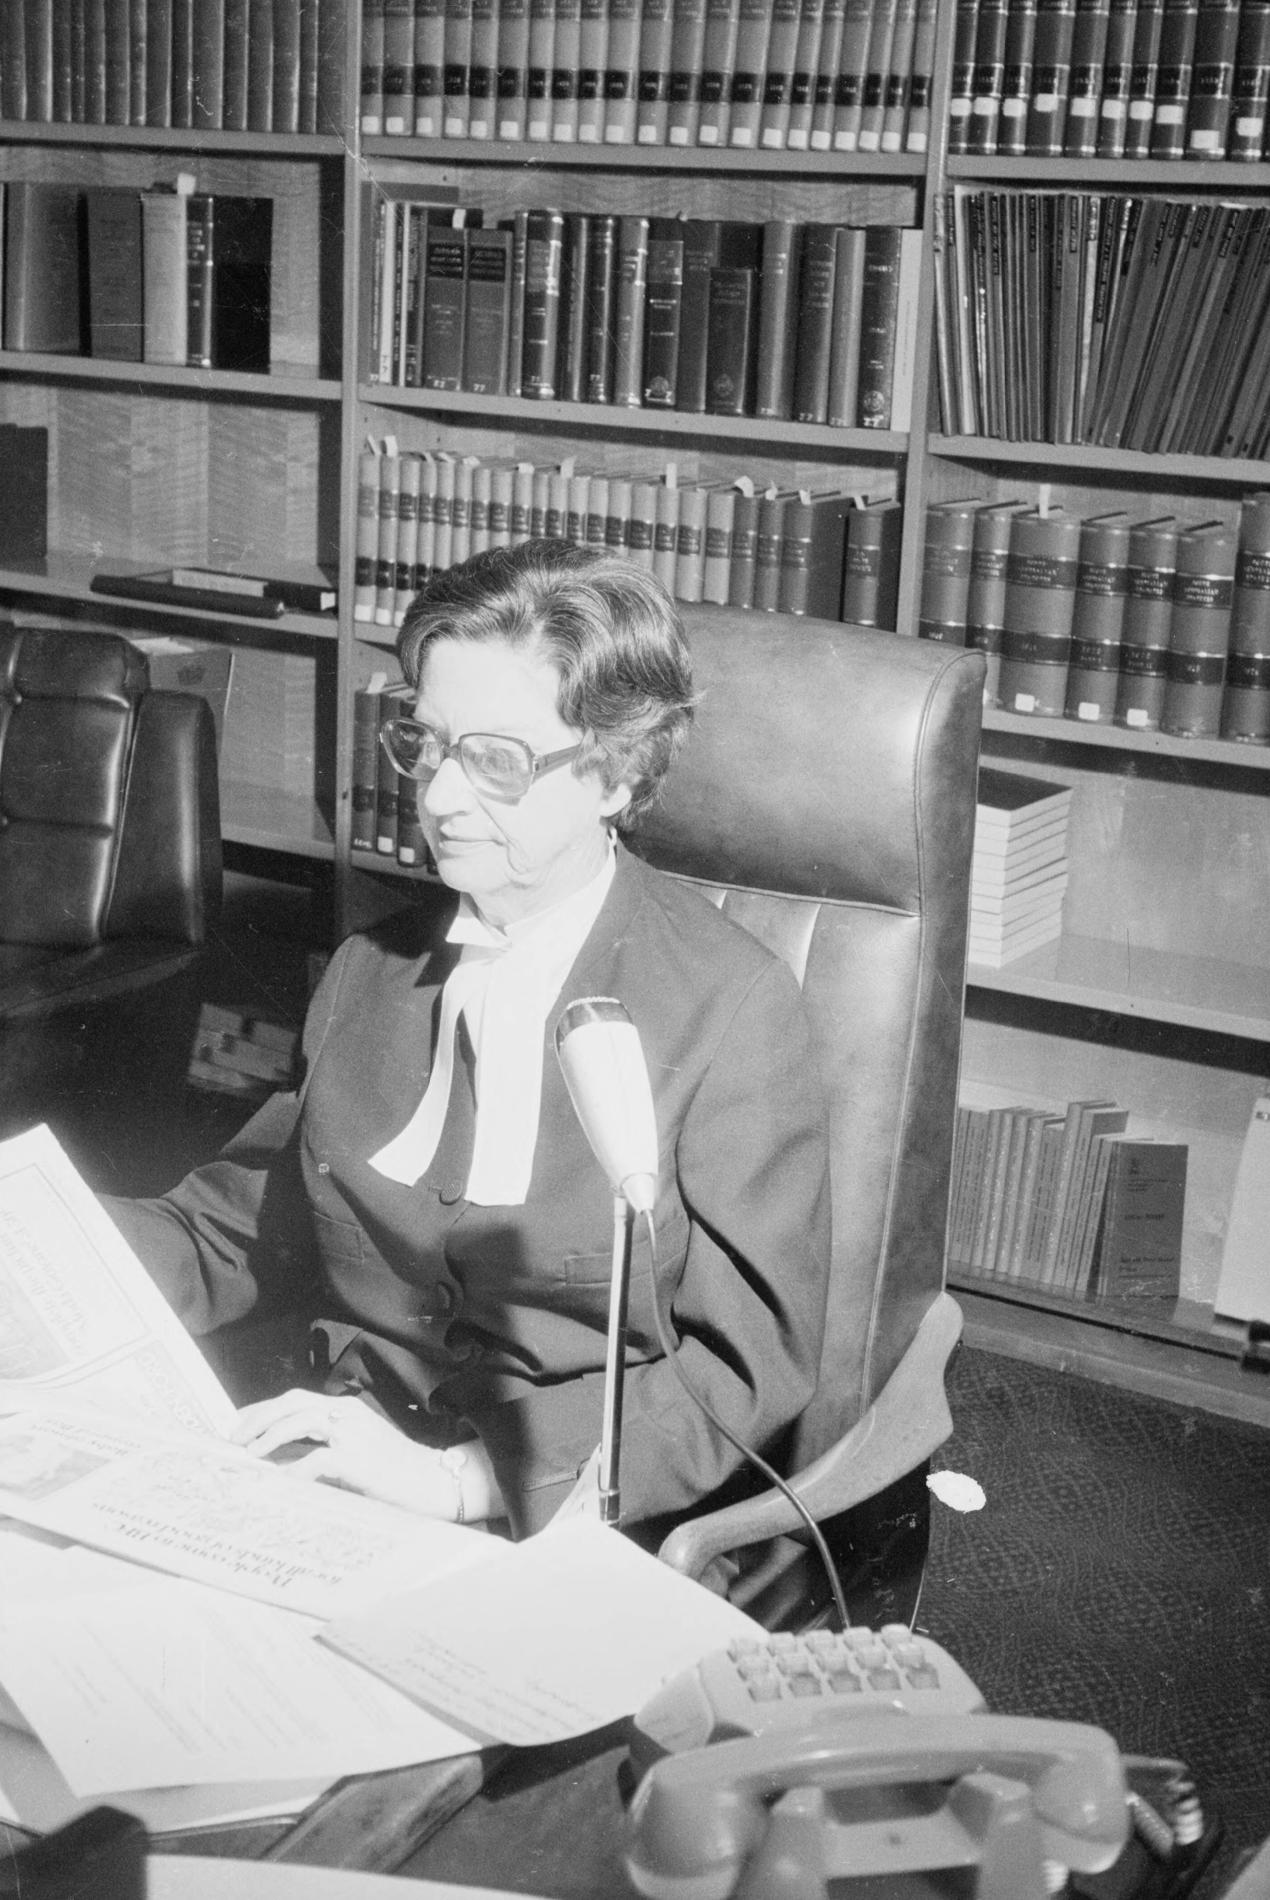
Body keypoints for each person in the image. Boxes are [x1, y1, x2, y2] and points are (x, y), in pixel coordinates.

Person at [106, 541, 831, 1539]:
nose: (439, 797)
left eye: (495, 759)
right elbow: (241, 1228)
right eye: (428, 741)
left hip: (565, 1518)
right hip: (329, 1465)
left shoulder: (732, 1009)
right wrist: (46, 1255)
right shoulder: (372, 965)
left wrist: (461, 1483)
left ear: (618, 771)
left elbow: (744, 1368)